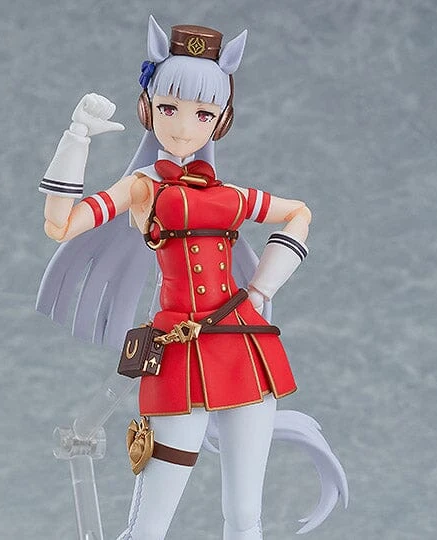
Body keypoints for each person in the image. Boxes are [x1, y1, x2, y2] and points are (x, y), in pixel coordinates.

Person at [37, 16, 347, 540]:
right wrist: (76, 138)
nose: (184, 127)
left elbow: (299, 213)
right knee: (151, 521)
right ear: (148, 108)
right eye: (169, 108)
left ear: (220, 120)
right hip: (178, 351)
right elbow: (60, 224)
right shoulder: (143, 188)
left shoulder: (230, 194)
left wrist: (261, 288)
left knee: (245, 517)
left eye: (203, 113)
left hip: (245, 347)